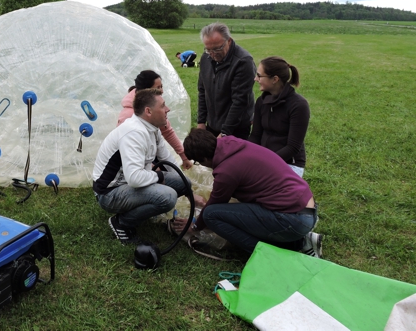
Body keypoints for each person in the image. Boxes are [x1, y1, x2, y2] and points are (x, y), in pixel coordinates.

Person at [174, 128, 322, 258]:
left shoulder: (226, 171)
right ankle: (301, 242)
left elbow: (214, 204)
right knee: (237, 210)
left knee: (210, 215)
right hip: (306, 206)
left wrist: (194, 226)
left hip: (293, 219)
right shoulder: (232, 144)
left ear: (205, 159)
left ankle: (265, 253)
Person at [94, 88, 190, 245]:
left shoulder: (152, 128)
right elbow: (134, 178)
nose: (168, 109)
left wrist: (189, 190)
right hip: (109, 192)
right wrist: (158, 177)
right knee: (168, 197)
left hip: (130, 183)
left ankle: (143, 210)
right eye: (163, 106)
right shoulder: (134, 133)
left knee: (183, 183)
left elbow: (166, 157)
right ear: (148, 111)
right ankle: (121, 223)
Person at [117, 70, 193, 170]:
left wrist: (184, 157)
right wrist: (150, 168)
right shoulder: (128, 116)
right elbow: (126, 151)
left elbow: (167, 131)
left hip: (150, 154)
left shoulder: (155, 107)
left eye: (161, 86)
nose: (161, 91)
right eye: (157, 88)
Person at [248, 56, 310, 177]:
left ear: (274, 79)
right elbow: (255, 135)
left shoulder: (298, 105)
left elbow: (292, 147)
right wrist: (248, 155)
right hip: (264, 159)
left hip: (289, 163)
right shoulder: (262, 101)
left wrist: (265, 162)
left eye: (260, 76)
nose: (255, 79)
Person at [197, 22, 256, 139]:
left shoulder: (243, 62)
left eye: (217, 49)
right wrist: (201, 122)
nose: (213, 54)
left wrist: (225, 132)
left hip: (236, 128)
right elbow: (203, 91)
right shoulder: (205, 58)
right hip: (212, 124)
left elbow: (239, 101)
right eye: (208, 49)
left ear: (229, 41)